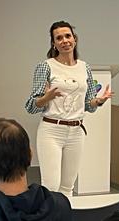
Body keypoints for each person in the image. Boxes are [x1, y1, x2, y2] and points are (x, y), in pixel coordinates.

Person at [24, 20, 112, 196]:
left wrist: (98, 101)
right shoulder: (46, 66)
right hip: (52, 130)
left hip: (76, 131)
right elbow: (31, 106)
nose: (64, 40)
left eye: (67, 36)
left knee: (67, 187)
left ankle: (66, 214)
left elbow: (88, 104)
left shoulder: (84, 67)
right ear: (54, 43)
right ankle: (48, 215)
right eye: (59, 38)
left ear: (74, 39)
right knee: (51, 186)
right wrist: (46, 98)